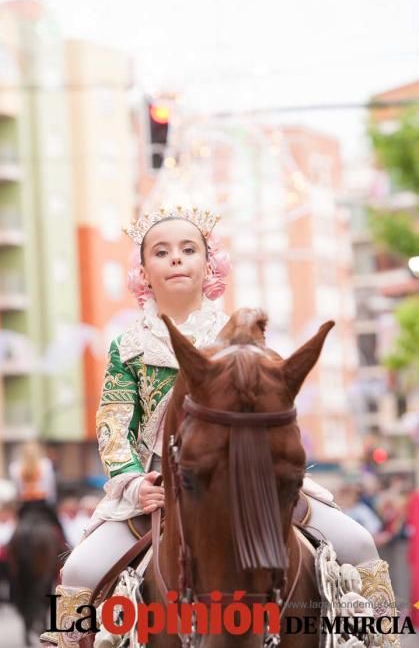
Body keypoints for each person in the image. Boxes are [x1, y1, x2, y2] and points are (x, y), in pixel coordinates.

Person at [41, 205, 399, 647]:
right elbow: (114, 421)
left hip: (255, 475)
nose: (176, 258)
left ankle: (379, 638)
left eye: (188, 249)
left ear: (210, 265)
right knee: (79, 569)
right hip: (157, 485)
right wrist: (132, 482)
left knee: (359, 543)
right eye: (161, 251)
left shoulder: (241, 340)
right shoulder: (126, 347)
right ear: (143, 271)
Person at [9, 440, 64, 539]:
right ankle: (66, 545)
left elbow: (17, 490)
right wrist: (52, 502)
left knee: (14, 529)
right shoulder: (45, 465)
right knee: (59, 528)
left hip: (26, 504)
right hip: (41, 502)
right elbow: (50, 488)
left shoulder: (15, 467)